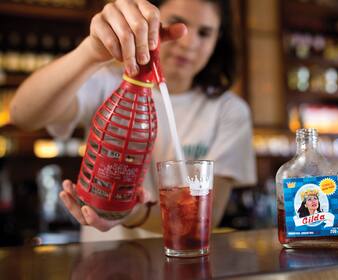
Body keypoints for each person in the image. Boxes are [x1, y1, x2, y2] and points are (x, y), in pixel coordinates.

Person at [10, 0, 256, 241]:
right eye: (177, 24)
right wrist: (91, 52)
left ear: (218, 40)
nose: (189, 43)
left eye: (205, 33)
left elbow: (205, 216)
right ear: (150, 24)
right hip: (103, 263)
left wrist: (131, 211)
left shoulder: (229, 111)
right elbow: (23, 115)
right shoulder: (107, 83)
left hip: (181, 264)